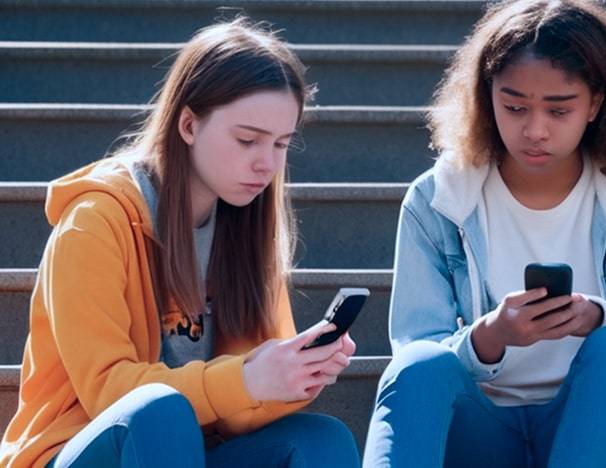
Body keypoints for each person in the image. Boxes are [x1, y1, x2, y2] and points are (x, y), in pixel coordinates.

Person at [1, 19, 360, 468]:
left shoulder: (247, 231)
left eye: (282, 143)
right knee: (158, 410)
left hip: (192, 450)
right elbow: (107, 393)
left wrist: (292, 377)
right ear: (188, 124)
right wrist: (246, 379)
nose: (266, 163)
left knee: (319, 440)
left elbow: (234, 416)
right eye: (247, 139)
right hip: (82, 450)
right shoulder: (94, 223)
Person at [362, 1, 606, 466]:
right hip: (483, 425)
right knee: (417, 368)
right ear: (487, 98)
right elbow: (416, 347)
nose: (535, 130)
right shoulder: (438, 199)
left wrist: (596, 318)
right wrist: (489, 336)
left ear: (595, 104)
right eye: (514, 106)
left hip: (601, 427)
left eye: (559, 110)